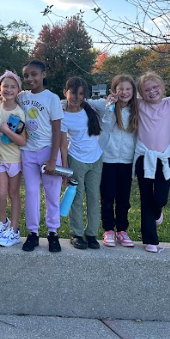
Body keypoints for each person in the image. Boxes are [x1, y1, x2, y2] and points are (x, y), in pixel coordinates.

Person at [134, 72, 170, 253]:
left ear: (163, 88)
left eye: (155, 87)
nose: (152, 92)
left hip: (163, 158)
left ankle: (158, 211)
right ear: (141, 93)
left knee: (160, 197)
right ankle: (150, 240)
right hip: (143, 158)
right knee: (146, 198)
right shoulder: (139, 105)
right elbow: (123, 97)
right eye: (147, 90)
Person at [19, 59, 64, 252]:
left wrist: (53, 158)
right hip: (28, 152)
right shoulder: (22, 96)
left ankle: (53, 232)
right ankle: (33, 233)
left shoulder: (51, 98)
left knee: (52, 194)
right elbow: (2, 96)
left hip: (48, 152)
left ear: (43, 74)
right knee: (31, 193)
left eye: (34, 74)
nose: (30, 78)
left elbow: (57, 131)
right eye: (26, 75)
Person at [60, 77, 103, 249]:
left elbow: (109, 103)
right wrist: (65, 169)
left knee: (93, 197)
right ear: (65, 93)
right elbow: (63, 145)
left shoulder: (90, 109)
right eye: (73, 93)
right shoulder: (63, 116)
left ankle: (91, 233)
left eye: (81, 94)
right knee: (77, 197)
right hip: (76, 160)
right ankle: (76, 233)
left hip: (96, 159)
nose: (77, 97)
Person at [98, 75, 139, 248]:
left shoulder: (137, 109)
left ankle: (122, 230)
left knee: (123, 199)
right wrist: (110, 106)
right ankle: (108, 229)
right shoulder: (106, 106)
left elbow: (164, 100)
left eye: (128, 89)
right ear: (114, 90)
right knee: (107, 197)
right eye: (120, 89)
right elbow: (106, 125)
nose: (124, 92)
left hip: (127, 160)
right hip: (108, 159)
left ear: (133, 91)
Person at [0, 70, 27, 247]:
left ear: (18, 90)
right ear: (0, 88)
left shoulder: (20, 113)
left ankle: (14, 230)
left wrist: (6, 131)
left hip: (14, 160)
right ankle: (2, 223)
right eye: (5, 86)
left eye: (13, 87)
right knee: (0, 194)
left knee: (13, 194)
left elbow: (22, 140)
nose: (9, 89)